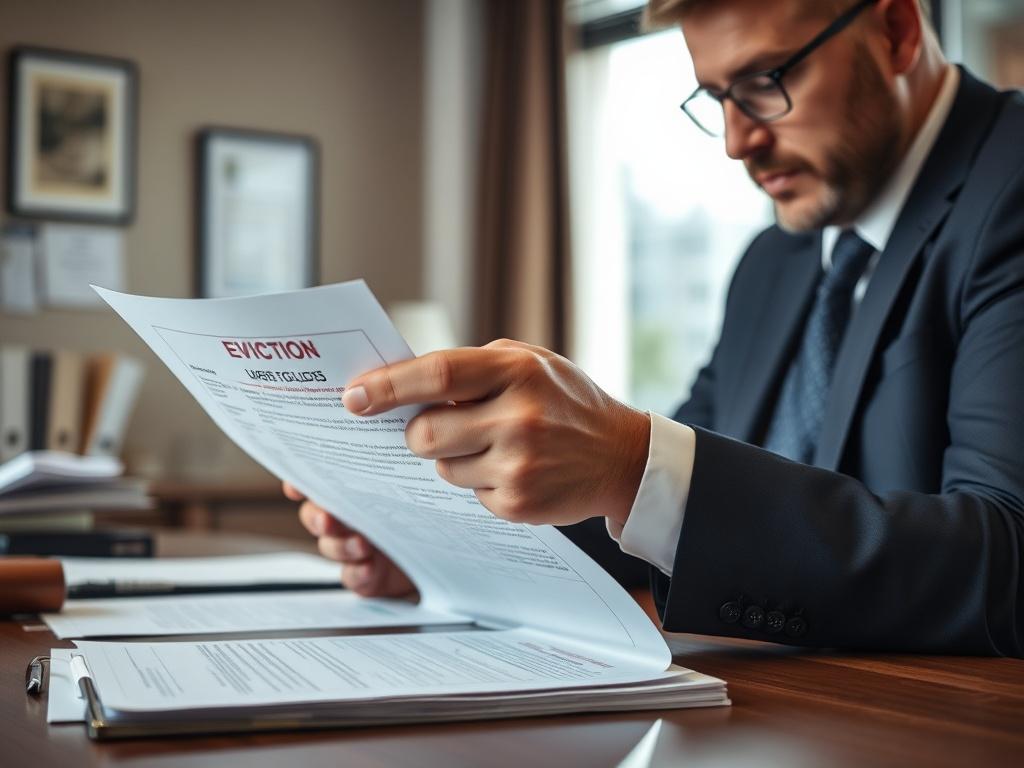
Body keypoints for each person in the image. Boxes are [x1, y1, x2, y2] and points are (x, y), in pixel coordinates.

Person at [287, 0, 1024, 656]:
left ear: (895, 31)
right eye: (716, 98)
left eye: (766, 80)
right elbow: (675, 512)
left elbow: (1008, 561)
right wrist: (444, 554)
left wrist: (632, 458)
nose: (737, 141)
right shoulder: (775, 263)